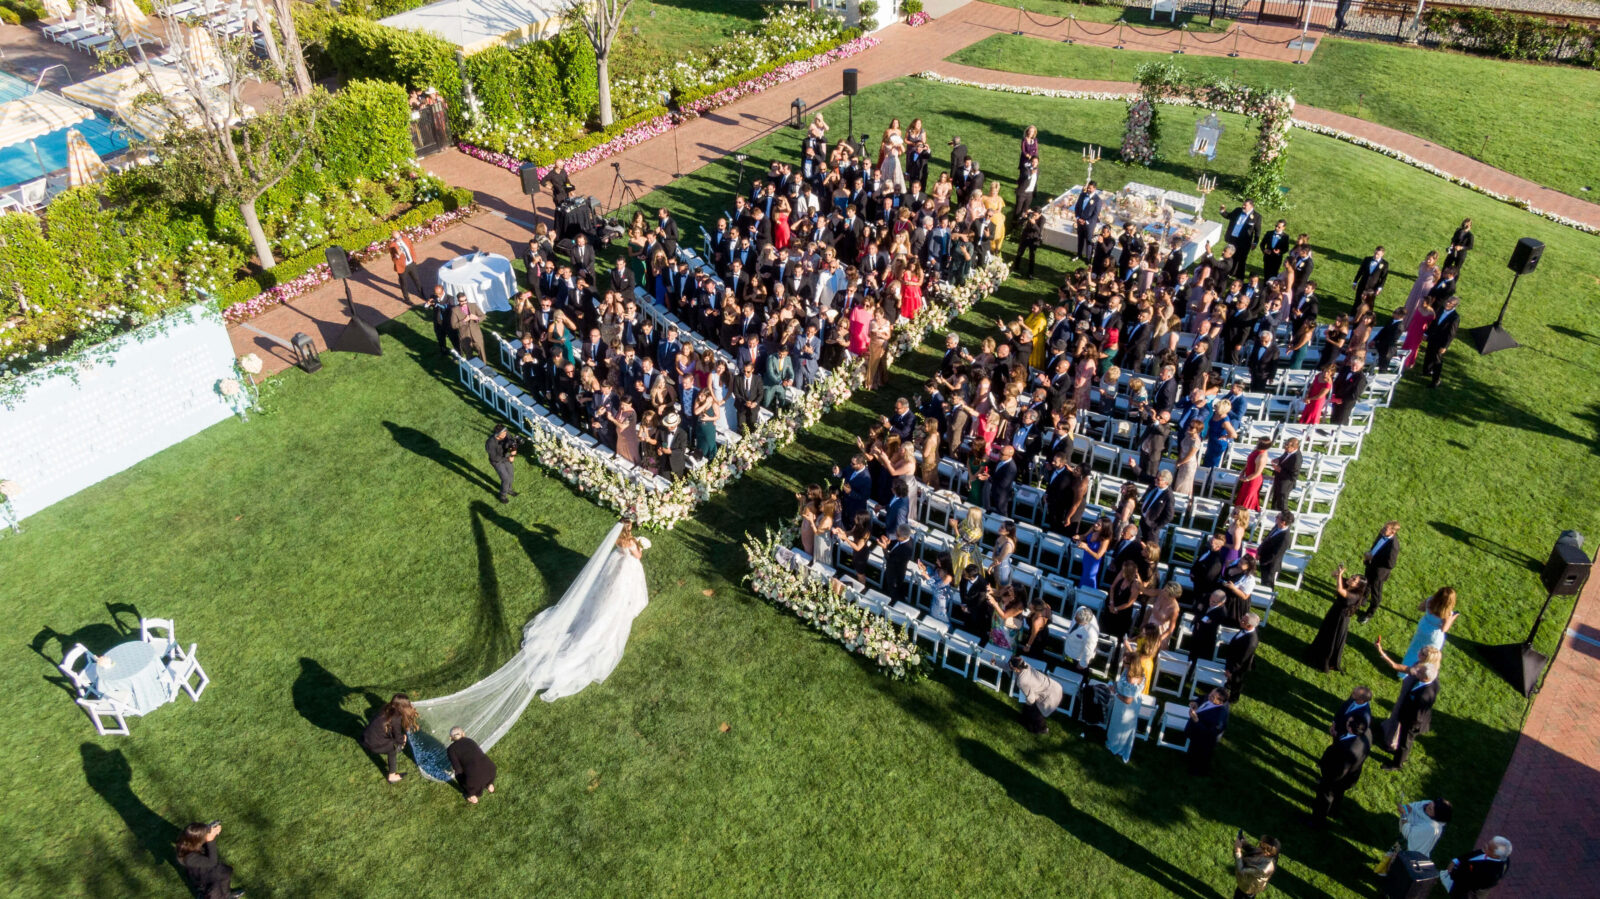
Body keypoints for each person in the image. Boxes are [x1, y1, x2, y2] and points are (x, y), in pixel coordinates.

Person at [1378, 659, 1440, 770]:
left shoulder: (1424, 696)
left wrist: (1408, 724)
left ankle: (1397, 764)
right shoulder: (1434, 681)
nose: (1417, 671)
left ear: (1425, 678)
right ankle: (1400, 757)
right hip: (1413, 716)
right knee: (1404, 742)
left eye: (1420, 672)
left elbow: (1418, 716)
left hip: (1412, 723)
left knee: (1404, 743)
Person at [1310, 717, 1370, 827]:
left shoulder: (1347, 750)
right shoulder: (1368, 733)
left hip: (1336, 777)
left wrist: (1327, 779)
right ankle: (1333, 811)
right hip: (1352, 775)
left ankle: (1317, 821)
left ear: (1350, 729)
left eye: (1348, 722)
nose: (1347, 721)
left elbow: (1339, 772)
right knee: (1339, 794)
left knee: (1325, 797)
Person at [1307, 564, 1365, 672]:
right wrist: (1338, 572)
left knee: (1331, 639)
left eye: (1354, 579)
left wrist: (1340, 576)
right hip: (1334, 613)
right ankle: (1315, 653)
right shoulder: (1348, 584)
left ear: (1357, 586)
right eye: (1352, 577)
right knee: (1324, 633)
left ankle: (1325, 661)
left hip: (1340, 619)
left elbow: (1340, 590)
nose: (1350, 579)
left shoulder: (1354, 596)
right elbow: (1333, 574)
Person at [177, 821, 244, 899]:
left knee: (224, 875)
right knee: (214, 892)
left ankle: (227, 895)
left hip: (208, 868)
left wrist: (211, 830)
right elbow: (212, 862)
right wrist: (210, 840)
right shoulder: (189, 858)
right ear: (196, 840)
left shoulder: (189, 841)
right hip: (203, 877)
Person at [362, 693, 418, 783]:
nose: (410, 704)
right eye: (407, 703)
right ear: (402, 706)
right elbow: (397, 736)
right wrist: (403, 741)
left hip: (366, 737)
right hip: (372, 744)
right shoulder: (396, 717)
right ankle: (392, 776)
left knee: (392, 743)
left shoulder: (386, 707)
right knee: (392, 749)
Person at [1400, 586, 1459, 669]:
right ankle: (1420, 673)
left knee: (1414, 649)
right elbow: (1444, 629)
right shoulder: (1447, 613)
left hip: (1423, 626)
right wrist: (1453, 617)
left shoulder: (1430, 600)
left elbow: (1420, 608)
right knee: (1429, 656)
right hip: (1434, 635)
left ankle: (1404, 670)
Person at [1358, 520, 1401, 623]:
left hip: (1379, 573)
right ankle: (1362, 601)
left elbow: (1391, 564)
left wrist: (1372, 557)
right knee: (1366, 583)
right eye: (1383, 527)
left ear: (1392, 532)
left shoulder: (1394, 546)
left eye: (1385, 528)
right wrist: (1370, 555)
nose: (1382, 529)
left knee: (1376, 595)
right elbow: (1376, 545)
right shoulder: (1382, 534)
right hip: (1370, 565)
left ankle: (1369, 614)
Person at [1441, 837, 1512, 897]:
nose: (1485, 845)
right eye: (1488, 843)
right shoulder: (1497, 855)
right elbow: (1473, 854)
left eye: (1489, 847)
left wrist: (1451, 873)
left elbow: (1466, 881)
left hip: (1462, 885)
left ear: (1496, 856)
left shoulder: (1490, 873)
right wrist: (1456, 861)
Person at [1010, 655, 1063, 734]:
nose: (1009, 666)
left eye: (1011, 667)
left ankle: (1042, 729)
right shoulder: (1024, 665)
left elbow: (1031, 699)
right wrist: (996, 663)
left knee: (1035, 711)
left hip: (1051, 695)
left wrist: (1029, 703)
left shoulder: (1022, 681)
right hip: (1055, 686)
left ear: (1016, 669)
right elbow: (1008, 666)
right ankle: (1024, 719)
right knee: (1028, 707)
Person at [1105, 657, 1145, 763]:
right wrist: (1115, 685)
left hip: (1126, 708)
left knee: (1121, 726)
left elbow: (1128, 700)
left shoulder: (1132, 680)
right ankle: (1112, 741)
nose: (1122, 661)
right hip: (1121, 704)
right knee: (1116, 722)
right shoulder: (1130, 671)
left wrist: (1115, 693)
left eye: (1125, 661)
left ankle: (1117, 746)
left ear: (1131, 664)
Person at [447, 726, 498, 803]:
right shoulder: (470, 740)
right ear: (463, 734)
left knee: (460, 775)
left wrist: (464, 785)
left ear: (450, 738)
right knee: (481, 769)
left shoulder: (451, 749)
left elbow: (458, 769)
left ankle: (471, 795)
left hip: (474, 780)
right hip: (491, 770)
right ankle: (489, 784)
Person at [1185, 688, 1230, 776]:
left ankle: (1196, 772)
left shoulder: (1219, 716)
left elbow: (1210, 733)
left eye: (1212, 697)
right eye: (1210, 693)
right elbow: (1203, 697)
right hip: (1196, 733)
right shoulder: (1211, 697)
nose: (1209, 696)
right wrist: (1196, 702)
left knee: (1198, 758)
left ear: (1220, 702)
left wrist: (1196, 721)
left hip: (1203, 741)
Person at [1421, 295, 1461, 388]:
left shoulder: (1455, 317)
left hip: (1441, 341)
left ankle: (1436, 381)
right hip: (1432, 338)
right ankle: (1426, 371)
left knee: (1437, 360)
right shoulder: (1441, 309)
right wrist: (1426, 334)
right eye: (1447, 301)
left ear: (1454, 305)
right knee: (1428, 354)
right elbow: (1434, 323)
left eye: (1450, 303)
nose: (1447, 303)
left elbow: (1451, 334)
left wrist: (1444, 346)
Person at [1223, 612, 1260, 700]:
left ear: (1249, 626)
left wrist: (1230, 670)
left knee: (1236, 680)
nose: (1240, 621)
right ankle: (1227, 685)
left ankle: (1233, 698)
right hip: (1234, 656)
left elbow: (1241, 660)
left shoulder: (1251, 642)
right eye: (1242, 618)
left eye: (1243, 621)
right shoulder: (1245, 629)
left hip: (1239, 666)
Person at [1232, 834, 1280, 899]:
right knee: (1238, 893)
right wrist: (1244, 843)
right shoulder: (1265, 852)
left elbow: (1241, 870)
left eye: (1261, 846)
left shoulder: (1265, 868)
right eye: (1260, 844)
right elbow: (1254, 850)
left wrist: (1237, 851)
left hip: (1248, 888)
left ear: (1268, 852)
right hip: (1246, 881)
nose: (1259, 847)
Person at [1059, 606, 1100, 676]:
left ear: (1085, 623)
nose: (1075, 620)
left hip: (1079, 658)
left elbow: (1089, 651)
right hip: (1072, 650)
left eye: (1078, 621)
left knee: (1078, 675)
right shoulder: (1081, 609)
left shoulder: (1091, 633)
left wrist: (1082, 664)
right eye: (1076, 618)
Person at [486, 424, 518, 504]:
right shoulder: (490, 443)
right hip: (497, 461)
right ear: (497, 435)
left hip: (506, 456)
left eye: (505, 432)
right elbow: (494, 457)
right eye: (503, 434)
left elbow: (512, 442)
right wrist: (508, 458)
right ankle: (502, 495)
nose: (505, 434)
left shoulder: (506, 434)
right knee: (505, 478)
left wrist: (513, 449)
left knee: (511, 474)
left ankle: (509, 490)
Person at [389, 229, 423, 302]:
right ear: (394, 239)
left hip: (411, 264)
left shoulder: (406, 239)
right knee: (404, 284)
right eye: (397, 239)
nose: (399, 239)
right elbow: (393, 259)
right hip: (401, 267)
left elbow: (411, 248)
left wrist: (414, 259)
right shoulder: (392, 246)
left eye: (399, 237)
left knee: (417, 280)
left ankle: (421, 294)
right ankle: (407, 299)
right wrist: (397, 256)